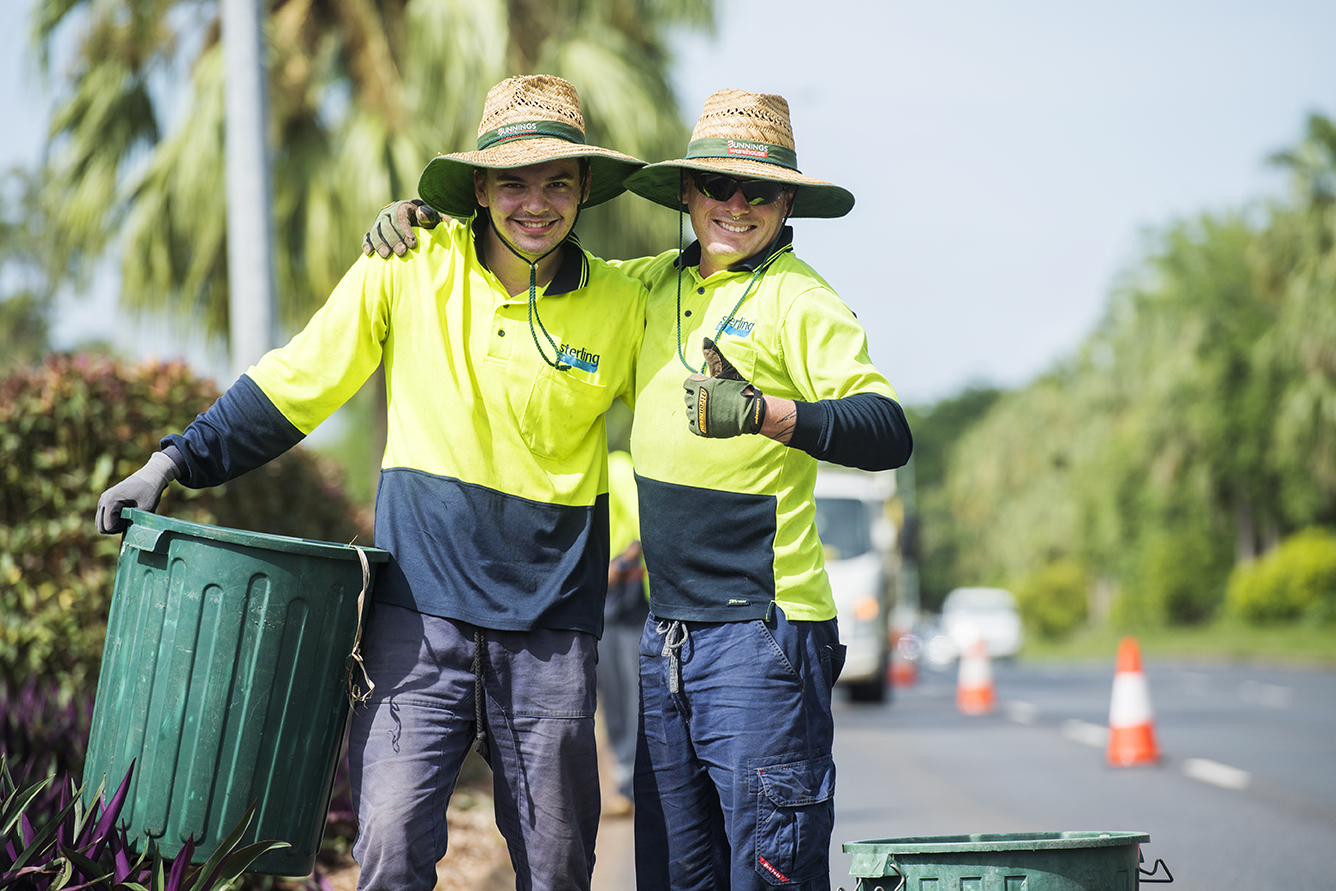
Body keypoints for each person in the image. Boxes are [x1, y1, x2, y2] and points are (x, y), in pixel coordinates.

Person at [96, 74, 649, 891]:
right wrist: (173, 460)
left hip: (551, 634)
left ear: (586, 188)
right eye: (515, 181)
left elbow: (683, 415)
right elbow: (299, 381)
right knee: (388, 848)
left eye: (558, 181)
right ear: (480, 187)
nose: (537, 202)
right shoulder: (409, 262)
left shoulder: (624, 301)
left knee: (560, 865)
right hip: (415, 623)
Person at [363, 88, 913, 891]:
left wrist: (770, 412)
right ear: (686, 193)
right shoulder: (648, 287)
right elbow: (534, 266)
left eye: (758, 191)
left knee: (770, 870)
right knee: (674, 875)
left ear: (786, 201)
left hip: (762, 633)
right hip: (668, 640)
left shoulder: (801, 299)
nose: (735, 205)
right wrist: (427, 227)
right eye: (717, 186)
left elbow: (887, 426)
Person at [600, 448, 650, 814]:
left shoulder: (615, 466)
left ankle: (635, 786)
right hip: (601, 605)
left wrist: (618, 565)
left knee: (634, 694)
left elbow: (642, 525)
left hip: (627, 601)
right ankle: (624, 781)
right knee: (613, 697)